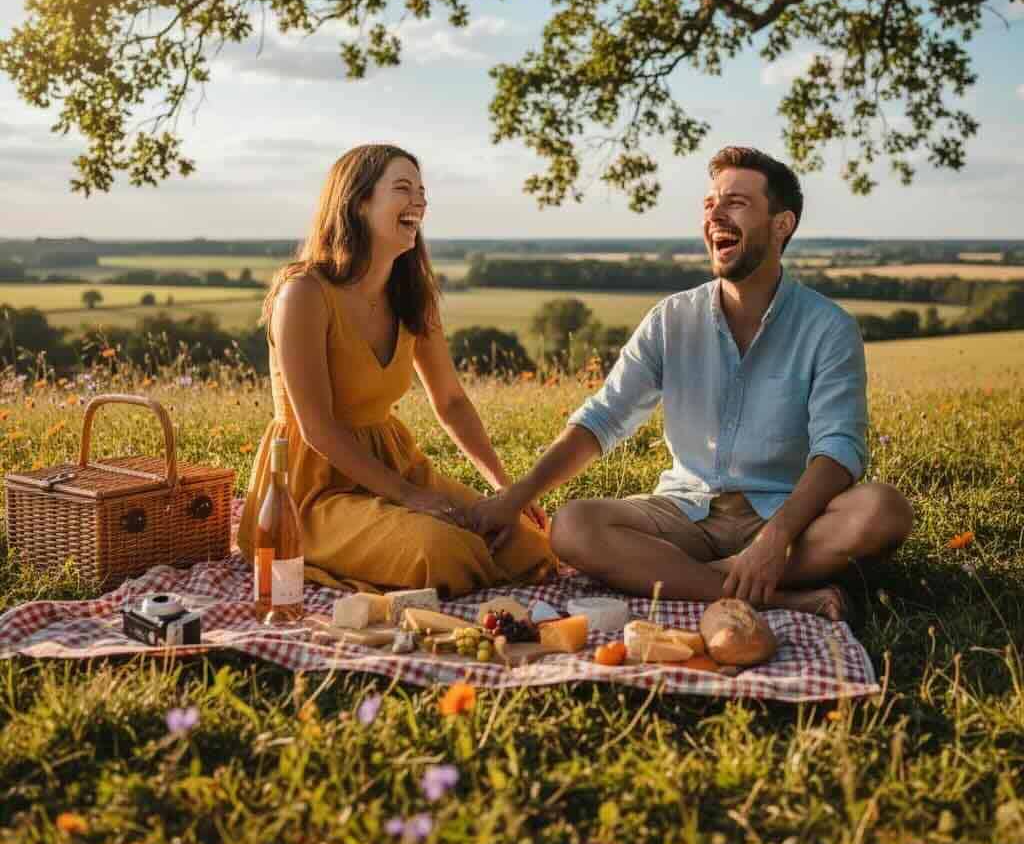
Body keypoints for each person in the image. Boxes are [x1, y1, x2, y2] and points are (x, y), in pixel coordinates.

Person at [469, 146, 914, 620]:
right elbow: (603, 418)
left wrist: (777, 536)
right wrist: (515, 497)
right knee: (574, 526)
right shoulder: (671, 319)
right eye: (709, 204)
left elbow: (839, 449)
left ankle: (691, 576)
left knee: (884, 511)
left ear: (781, 224)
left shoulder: (828, 327)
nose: (715, 215)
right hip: (685, 512)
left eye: (736, 203)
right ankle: (767, 592)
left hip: (787, 514)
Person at [237, 144, 555, 596]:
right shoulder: (304, 292)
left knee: (527, 546)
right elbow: (317, 429)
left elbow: (451, 400)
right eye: (403, 189)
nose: (420, 202)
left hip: (394, 464)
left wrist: (508, 492)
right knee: (441, 552)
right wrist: (410, 498)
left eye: (422, 191)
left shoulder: (412, 293)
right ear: (358, 202)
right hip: (310, 487)